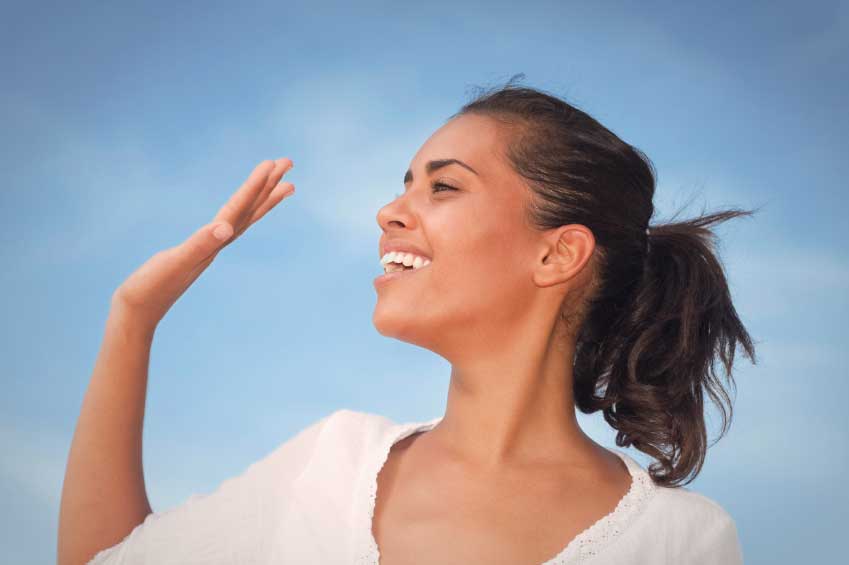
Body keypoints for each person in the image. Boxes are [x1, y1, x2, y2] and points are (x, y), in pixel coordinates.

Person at [58, 77, 757, 565]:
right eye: (404, 183)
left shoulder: (679, 541)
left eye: (443, 186)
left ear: (556, 251)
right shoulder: (331, 465)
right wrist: (134, 316)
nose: (388, 212)